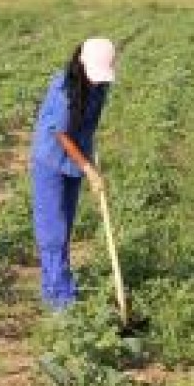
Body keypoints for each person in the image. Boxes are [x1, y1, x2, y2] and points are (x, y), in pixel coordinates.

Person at [30, 37, 116, 311]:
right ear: (82, 63)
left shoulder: (100, 86)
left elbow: (89, 124)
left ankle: (54, 286)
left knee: (64, 226)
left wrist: (89, 156)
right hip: (51, 160)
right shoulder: (64, 89)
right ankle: (61, 300)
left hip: (76, 160)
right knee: (52, 231)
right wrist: (88, 168)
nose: (97, 81)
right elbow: (61, 134)